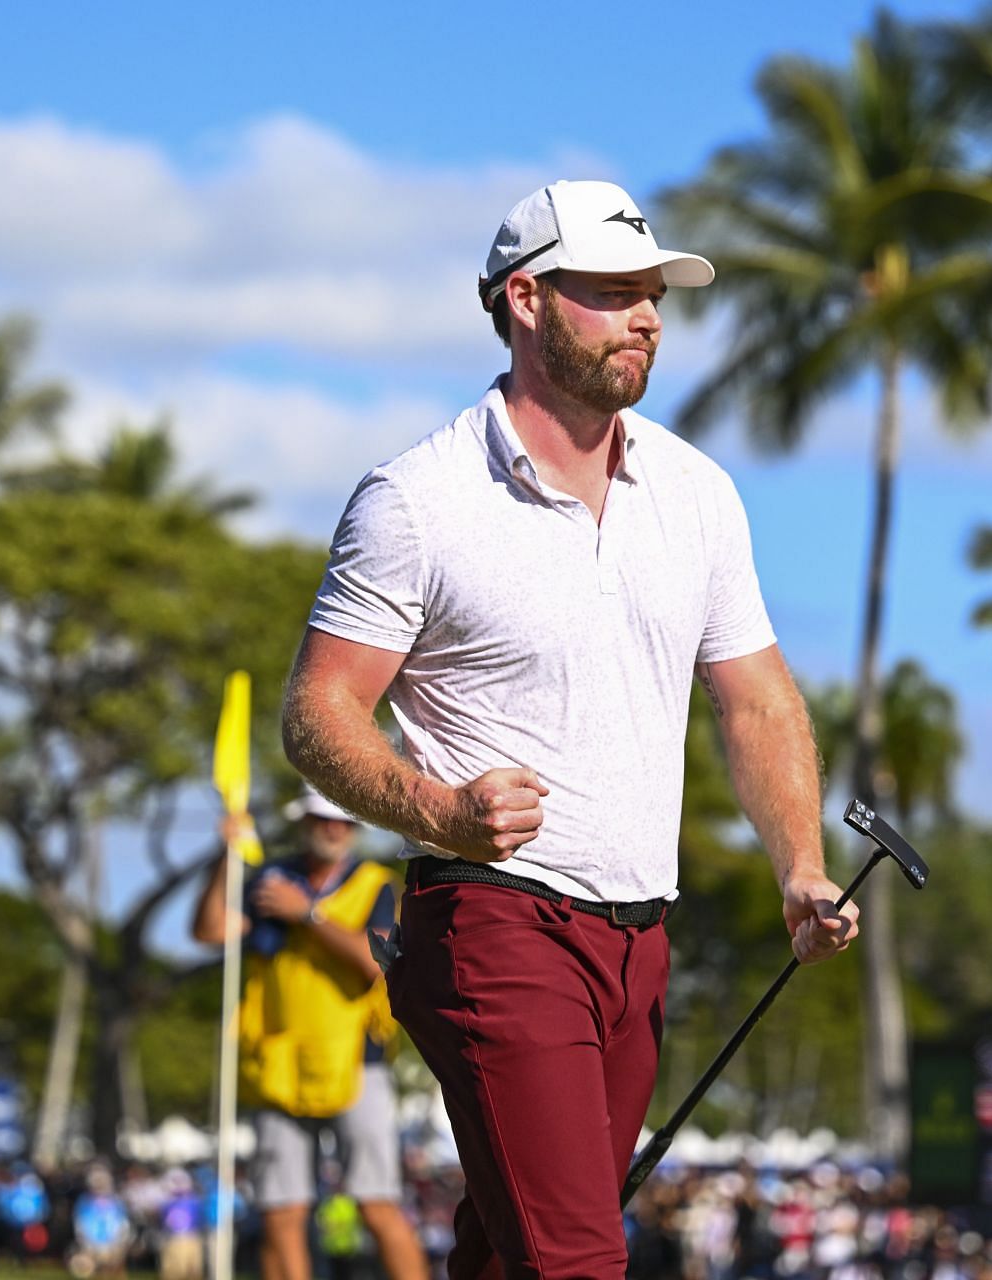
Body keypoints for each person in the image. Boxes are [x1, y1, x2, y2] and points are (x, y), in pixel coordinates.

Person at [279, 178, 859, 1278]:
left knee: (511, 1252)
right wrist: (437, 807)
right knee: (580, 1260)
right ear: (527, 299)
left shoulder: (696, 492)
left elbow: (757, 696)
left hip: (641, 942)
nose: (646, 315)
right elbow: (317, 712)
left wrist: (801, 866)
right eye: (613, 292)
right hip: (494, 923)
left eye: (654, 294)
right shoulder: (416, 498)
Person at [193, 785, 427, 1280]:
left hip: (355, 1064)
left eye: (343, 821)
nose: (334, 829)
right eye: (323, 819)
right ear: (304, 822)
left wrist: (307, 914)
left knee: (377, 1203)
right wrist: (225, 856)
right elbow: (211, 930)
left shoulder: (376, 886)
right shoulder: (270, 882)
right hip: (277, 1063)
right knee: (281, 1212)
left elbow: (375, 964)